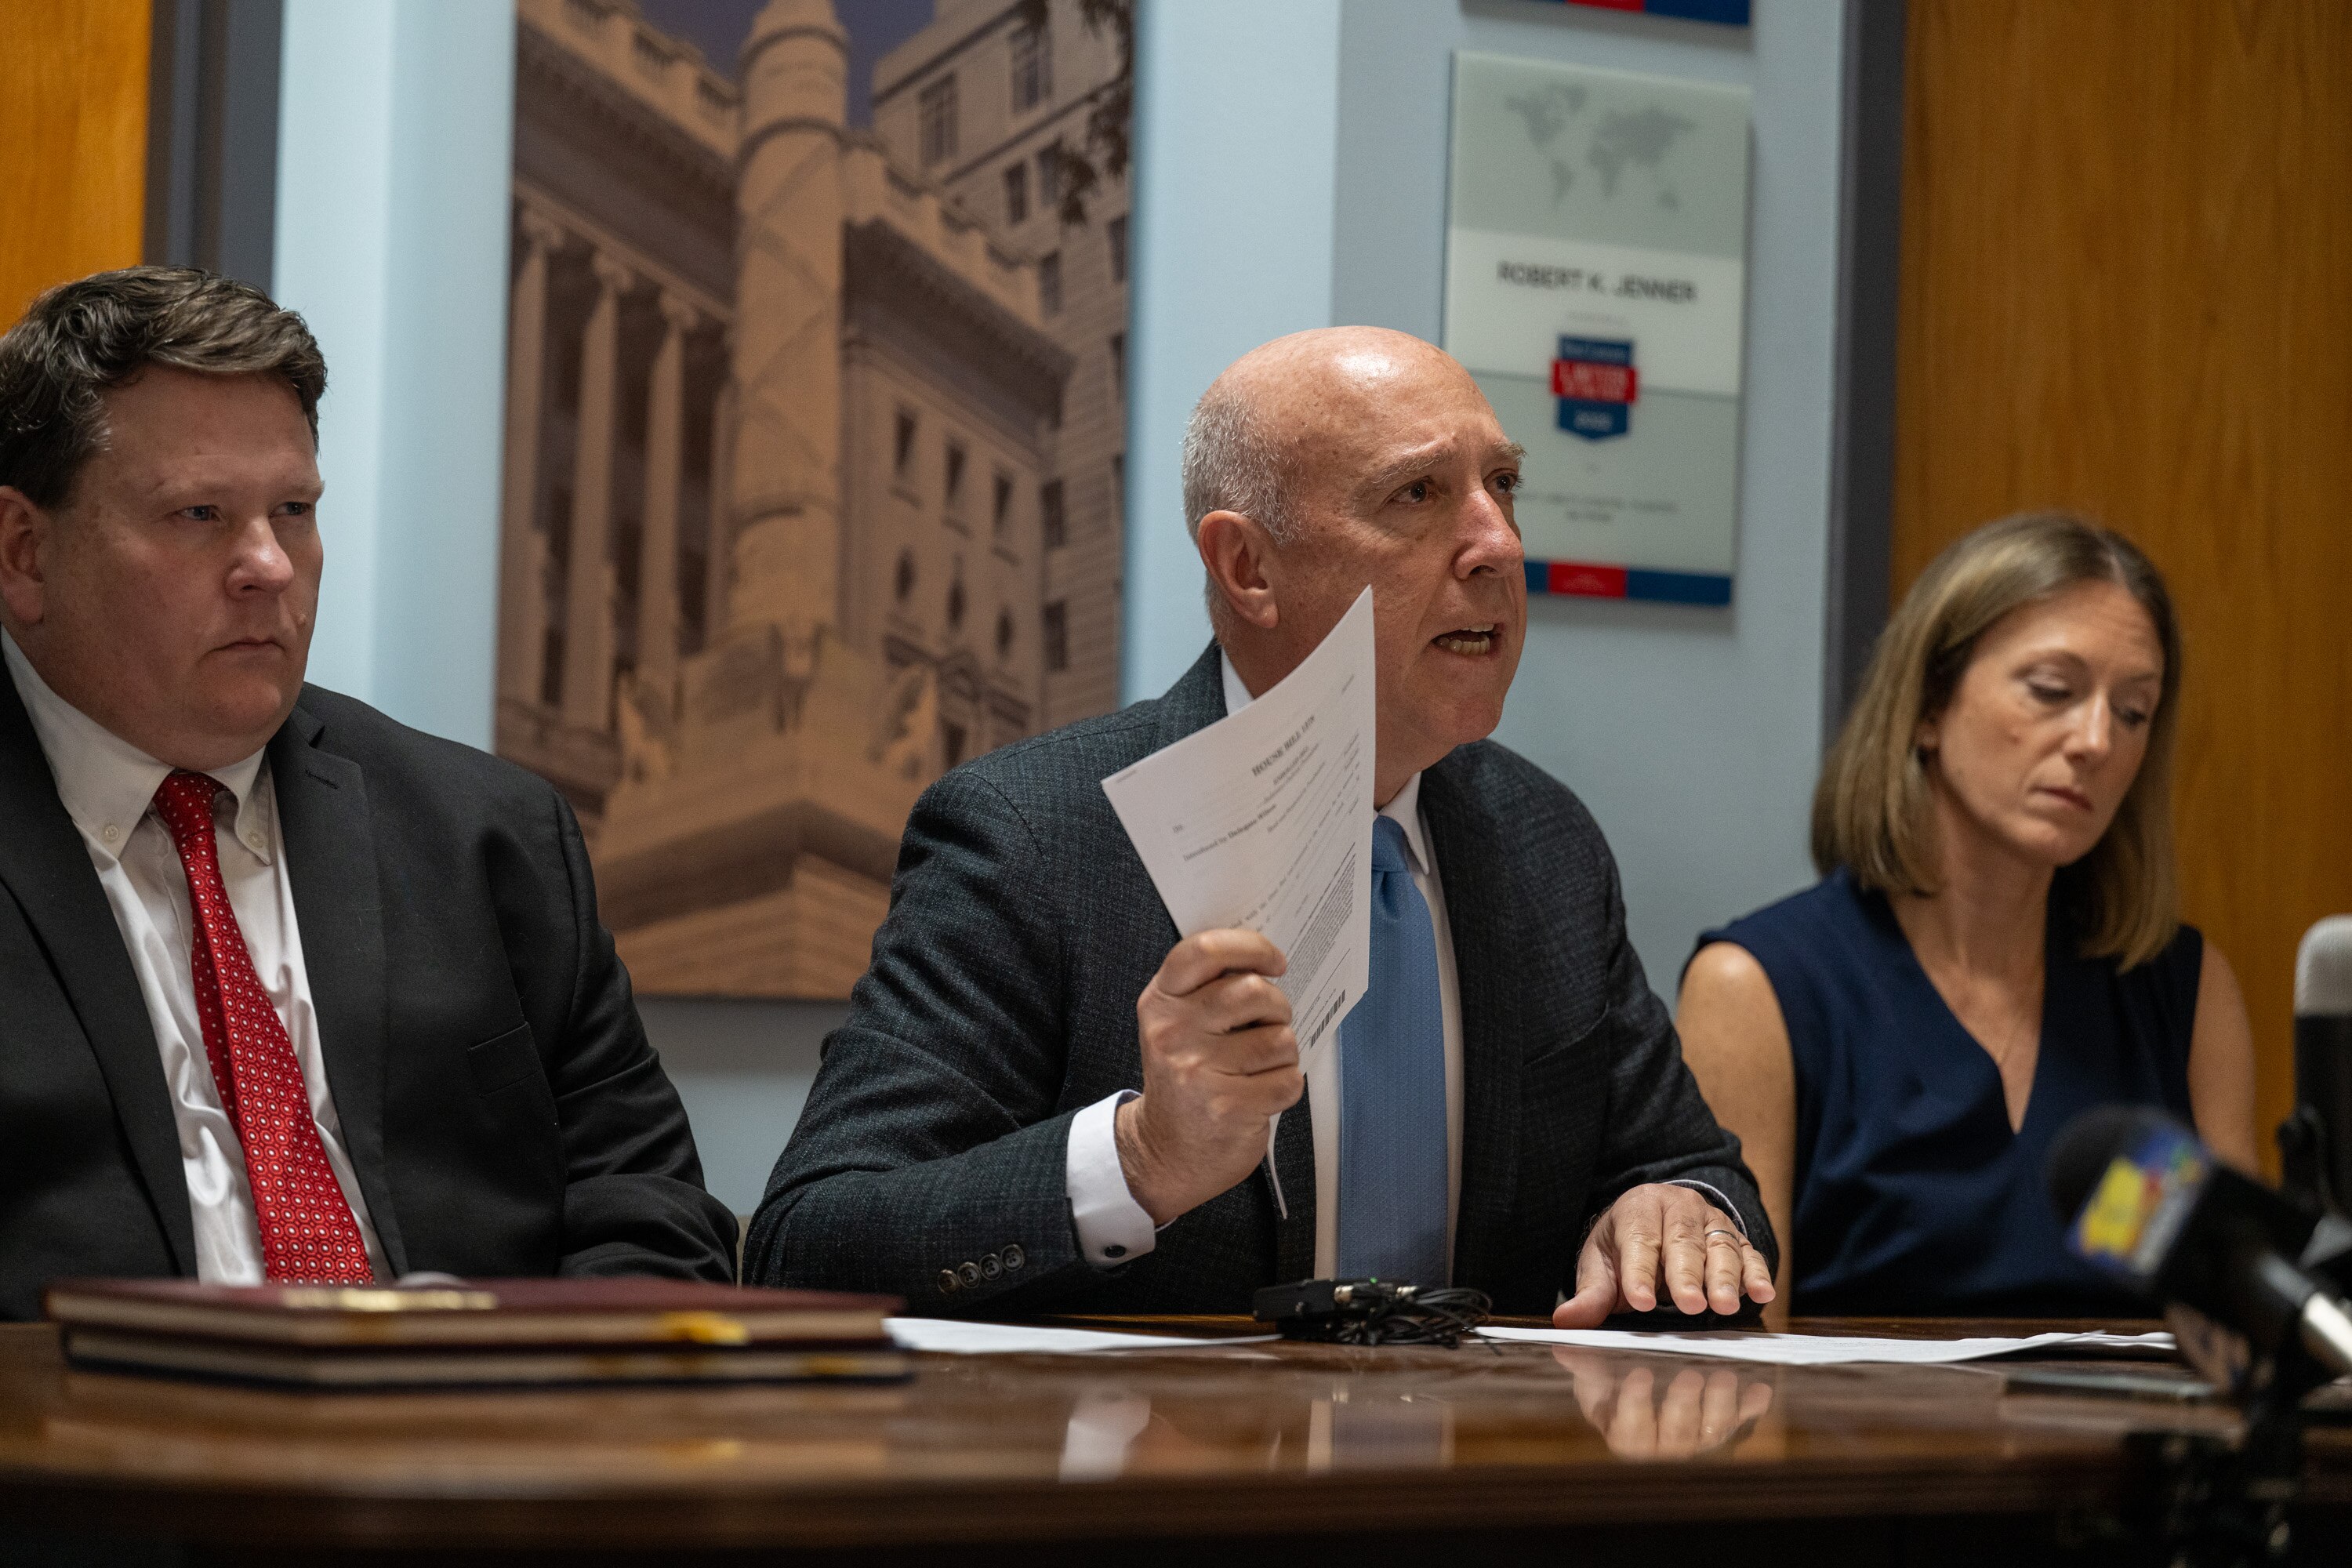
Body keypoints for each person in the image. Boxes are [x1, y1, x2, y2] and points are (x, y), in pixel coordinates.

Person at [750, 327, 1777, 1322]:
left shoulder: (1543, 845)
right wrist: (1144, 1159)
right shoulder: (1033, 840)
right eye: (1418, 494)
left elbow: (1691, 1171)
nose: (1498, 544)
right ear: (1249, 569)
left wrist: (1678, 1211)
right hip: (1165, 1481)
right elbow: (809, 1248)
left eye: (1502, 484)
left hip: (1482, 1479)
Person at [0, 267, 736, 1318]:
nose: (269, 565)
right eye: (199, 513)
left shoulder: (490, 838)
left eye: (293, 510)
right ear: (25, 551)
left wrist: (545, 1401)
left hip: (474, 1447)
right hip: (95, 1457)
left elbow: (651, 1213)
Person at [1679, 512, 2258, 1319]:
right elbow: (1733, 1377)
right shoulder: (1759, 988)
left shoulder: (2182, 992)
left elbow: (2243, 1326)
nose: (2096, 739)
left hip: (2137, 1442)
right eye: (2053, 690)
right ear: (1928, 706)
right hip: (1870, 1444)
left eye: (2133, 711)